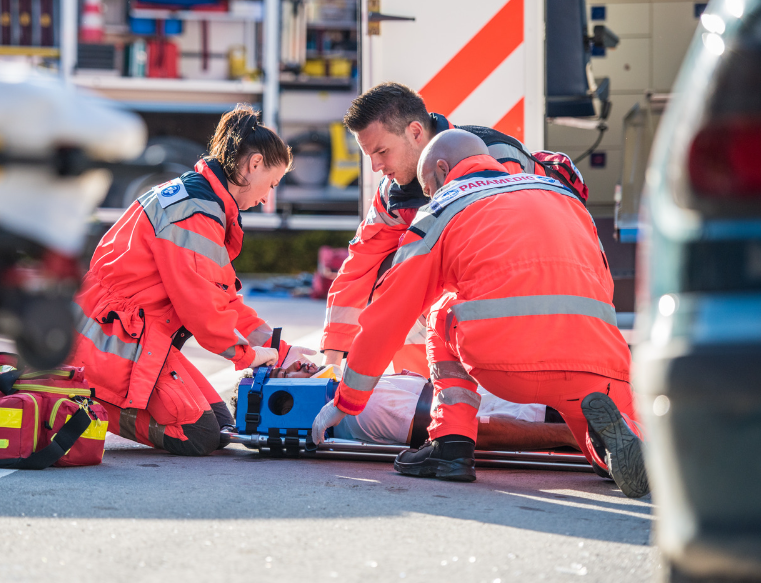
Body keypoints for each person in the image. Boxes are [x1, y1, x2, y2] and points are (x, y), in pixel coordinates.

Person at [312, 130, 648, 498]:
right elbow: (601, 284)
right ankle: (611, 453)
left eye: (429, 187)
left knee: (441, 310)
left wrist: (348, 400)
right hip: (598, 362)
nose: (430, 195)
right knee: (599, 441)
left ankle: (451, 446)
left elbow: (389, 312)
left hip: (506, 365)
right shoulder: (560, 194)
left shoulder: (444, 207)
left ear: (442, 170)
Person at [68, 104, 313, 456]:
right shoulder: (195, 212)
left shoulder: (203, 203)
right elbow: (205, 311)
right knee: (198, 435)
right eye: (271, 184)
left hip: (132, 336)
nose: (265, 198)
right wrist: (250, 356)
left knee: (222, 428)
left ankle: (93, 387)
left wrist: (282, 351)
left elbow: (223, 300)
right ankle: (87, 396)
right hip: (111, 342)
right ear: (254, 164)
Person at [321, 82, 587, 378]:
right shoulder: (392, 193)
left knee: (416, 292)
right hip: (488, 294)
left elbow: (513, 258)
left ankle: (508, 393)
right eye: (369, 154)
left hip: (536, 294)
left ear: (416, 132)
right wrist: (331, 361)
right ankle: (421, 393)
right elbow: (360, 266)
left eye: (382, 151)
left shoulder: (496, 159)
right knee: (390, 285)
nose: (375, 166)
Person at [265, 361, 578, 451]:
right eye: (285, 374)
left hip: (535, 396)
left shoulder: (351, 393)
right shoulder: (359, 414)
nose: (297, 364)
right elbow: (470, 432)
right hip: (539, 414)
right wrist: (568, 435)